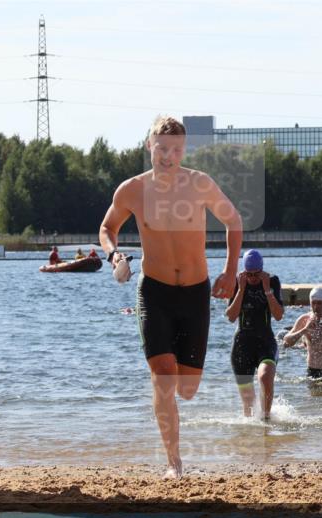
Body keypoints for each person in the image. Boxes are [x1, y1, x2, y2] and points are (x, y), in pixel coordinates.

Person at [99, 115, 243, 479]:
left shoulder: (199, 184)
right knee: (163, 376)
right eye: (162, 148)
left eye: (176, 150)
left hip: (195, 293)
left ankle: (175, 434)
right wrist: (114, 255)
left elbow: (234, 221)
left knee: (188, 389)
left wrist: (229, 272)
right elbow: (107, 228)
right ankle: (174, 463)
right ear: (150, 146)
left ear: (184, 150)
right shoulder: (131, 190)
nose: (168, 156)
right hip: (155, 292)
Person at [226, 250, 284, 420]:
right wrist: (241, 289)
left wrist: (267, 290)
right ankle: (250, 441)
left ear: (262, 270)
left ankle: (266, 420)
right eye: (249, 274)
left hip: (265, 341)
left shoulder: (272, 281)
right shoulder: (238, 283)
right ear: (244, 271)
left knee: (266, 376)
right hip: (241, 345)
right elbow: (231, 316)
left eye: (256, 274)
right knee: (248, 405)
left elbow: (279, 315)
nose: (252, 278)